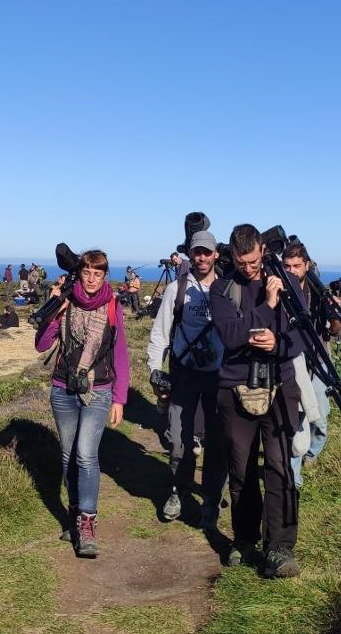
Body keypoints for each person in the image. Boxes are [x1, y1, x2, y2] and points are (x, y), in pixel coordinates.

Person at [209, 224, 305, 579]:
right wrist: (267, 307)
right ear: (231, 256)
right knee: (241, 470)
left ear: (263, 250)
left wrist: (276, 345)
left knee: (279, 468)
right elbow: (231, 336)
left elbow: (301, 337)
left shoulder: (288, 282)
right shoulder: (222, 288)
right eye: (241, 261)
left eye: (253, 261)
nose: (248, 268)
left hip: (280, 386)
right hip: (234, 389)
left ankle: (280, 548)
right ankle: (245, 539)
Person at [35, 250, 129, 558]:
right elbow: (42, 345)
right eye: (86, 273)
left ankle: (87, 523)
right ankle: (74, 512)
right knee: (67, 456)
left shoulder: (112, 306)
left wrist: (120, 398)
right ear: (81, 273)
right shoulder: (66, 300)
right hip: (63, 388)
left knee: (86, 455)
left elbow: (121, 356)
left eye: (97, 274)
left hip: (98, 389)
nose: (90, 279)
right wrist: (53, 310)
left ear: (105, 276)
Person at [147, 231, 225, 526]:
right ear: (190, 255)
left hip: (218, 377)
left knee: (218, 443)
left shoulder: (227, 288)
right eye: (197, 252)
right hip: (184, 375)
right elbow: (160, 332)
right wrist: (156, 370)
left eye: (207, 252)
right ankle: (178, 491)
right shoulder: (175, 289)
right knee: (179, 441)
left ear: (216, 254)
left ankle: (211, 499)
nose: (202, 258)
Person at [281, 242, 339, 486]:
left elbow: (335, 330)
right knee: (297, 418)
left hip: (318, 360)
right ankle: (293, 478)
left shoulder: (318, 293)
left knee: (320, 416)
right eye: (287, 266)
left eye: (297, 265)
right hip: (293, 361)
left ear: (307, 265)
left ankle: (313, 451)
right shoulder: (279, 291)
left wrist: (336, 313)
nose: (292, 270)